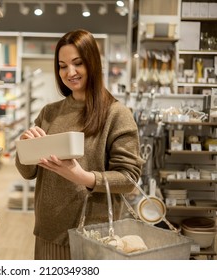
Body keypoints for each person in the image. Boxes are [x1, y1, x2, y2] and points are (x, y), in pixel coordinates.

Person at [15, 29, 144, 260]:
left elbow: (129, 179)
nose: (70, 72)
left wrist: (82, 176)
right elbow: (28, 172)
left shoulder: (116, 114)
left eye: (77, 63)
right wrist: (25, 148)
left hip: (95, 236)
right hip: (49, 231)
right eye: (62, 66)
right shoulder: (50, 113)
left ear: (92, 63)